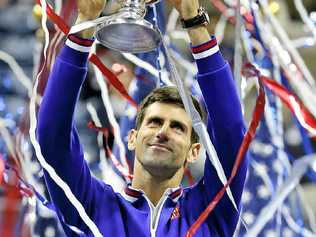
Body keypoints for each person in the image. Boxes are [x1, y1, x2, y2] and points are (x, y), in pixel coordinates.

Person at [37, 0, 248, 236]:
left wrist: (194, 21)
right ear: (132, 138)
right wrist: (85, 21)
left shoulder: (210, 211)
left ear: (194, 150)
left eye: (178, 127)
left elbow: (231, 133)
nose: (163, 132)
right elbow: (51, 134)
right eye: (154, 122)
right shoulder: (92, 207)